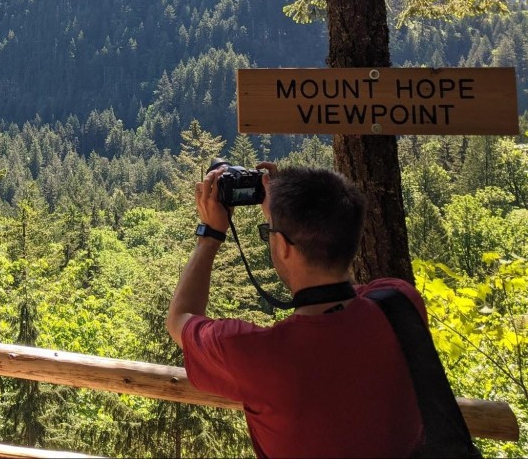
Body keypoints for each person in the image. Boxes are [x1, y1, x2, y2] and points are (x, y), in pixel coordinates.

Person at [166, 162, 426, 458]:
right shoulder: (401, 302)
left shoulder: (255, 353)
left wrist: (210, 234)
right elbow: (344, 286)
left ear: (284, 247)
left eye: (270, 234)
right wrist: (283, 218)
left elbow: (179, 319)